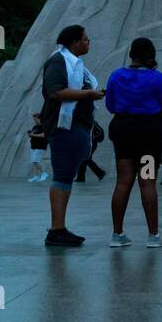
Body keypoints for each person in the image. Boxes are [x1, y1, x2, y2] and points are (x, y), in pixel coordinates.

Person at [104, 36, 162, 248]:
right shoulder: (156, 78)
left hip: (123, 129)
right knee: (147, 182)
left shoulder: (116, 75)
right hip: (148, 132)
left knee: (123, 181)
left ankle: (117, 234)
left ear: (131, 54)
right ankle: (153, 236)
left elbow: (110, 104)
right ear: (151, 55)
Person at [40, 24, 105, 247]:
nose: (89, 43)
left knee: (66, 175)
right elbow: (55, 91)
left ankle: (60, 228)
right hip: (63, 126)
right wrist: (88, 93)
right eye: (86, 39)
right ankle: (56, 230)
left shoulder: (77, 65)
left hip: (77, 126)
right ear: (75, 42)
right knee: (62, 174)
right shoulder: (59, 61)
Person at [27, 114, 49, 182]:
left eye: (35, 119)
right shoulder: (35, 126)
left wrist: (34, 135)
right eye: (34, 119)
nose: (34, 120)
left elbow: (44, 135)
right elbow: (34, 134)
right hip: (34, 146)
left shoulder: (43, 126)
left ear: (39, 119)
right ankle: (36, 176)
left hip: (40, 146)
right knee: (34, 162)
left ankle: (44, 173)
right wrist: (30, 135)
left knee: (35, 161)